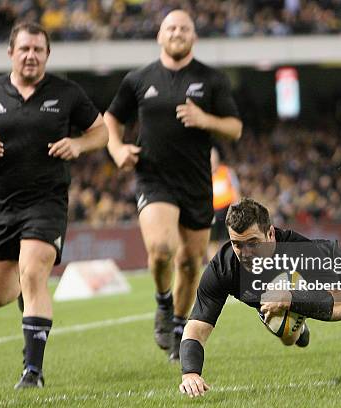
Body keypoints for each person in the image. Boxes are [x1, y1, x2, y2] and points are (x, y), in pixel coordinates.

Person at [0, 22, 108, 389]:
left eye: (38, 49)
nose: (31, 55)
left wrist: (79, 145)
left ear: (47, 55)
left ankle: (32, 372)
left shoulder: (67, 93)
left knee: (34, 272)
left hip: (47, 202)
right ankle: (25, 291)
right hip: (1, 207)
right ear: (10, 52)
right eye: (24, 49)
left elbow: (100, 131)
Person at [104, 9, 243, 362]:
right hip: (153, 178)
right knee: (163, 249)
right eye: (171, 27)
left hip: (196, 182)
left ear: (193, 36)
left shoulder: (211, 80)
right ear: (159, 35)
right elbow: (112, 118)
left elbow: (234, 128)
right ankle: (163, 304)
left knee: (190, 263)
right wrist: (117, 148)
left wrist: (205, 119)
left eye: (184, 28)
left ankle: (180, 325)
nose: (177, 32)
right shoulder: (138, 79)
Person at [178, 198, 341, 397]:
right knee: (283, 329)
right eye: (237, 244)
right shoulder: (223, 267)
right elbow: (197, 326)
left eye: (253, 243)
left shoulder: (302, 252)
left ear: (271, 234)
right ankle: (300, 330)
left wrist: (291, 299)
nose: (246, 253)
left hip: (328, 278)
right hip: (281, 297)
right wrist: (190, 372)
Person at [208, 146, 240, 260]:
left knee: (228, 240)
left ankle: (229, 263)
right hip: (211, 212)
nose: (213, 161)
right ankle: (214, 266)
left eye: (214, 158)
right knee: (212, 242)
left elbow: (235, 191)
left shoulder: (227, 172)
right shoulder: (204, 175)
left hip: (227, 211)